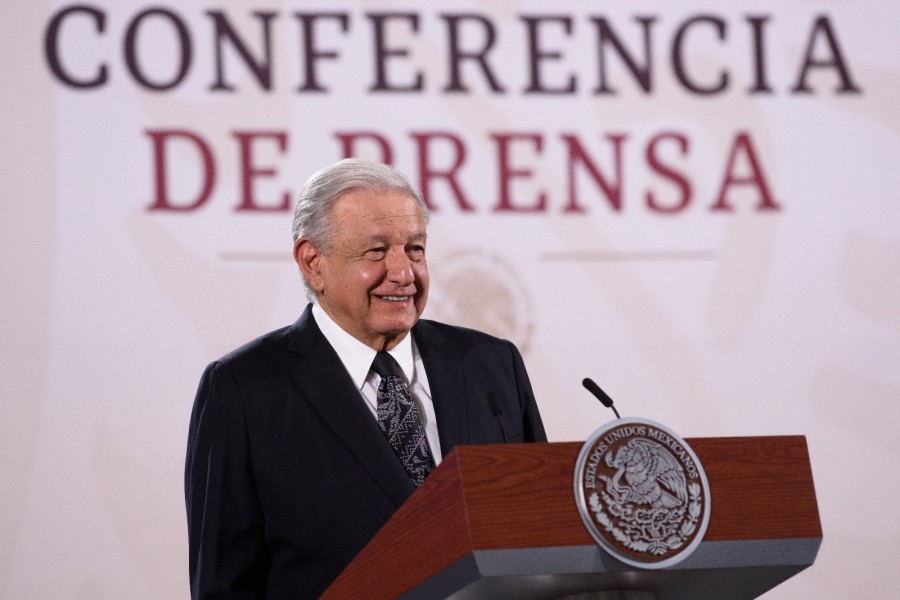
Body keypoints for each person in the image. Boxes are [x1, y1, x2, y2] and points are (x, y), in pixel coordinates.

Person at [184, 158, 546, 599]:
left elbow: (540, 537)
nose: (403, 273)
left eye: (415, 249)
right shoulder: (245, 390)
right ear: (312, 262)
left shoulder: (491, 365)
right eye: (376, 252)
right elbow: (225, 585)